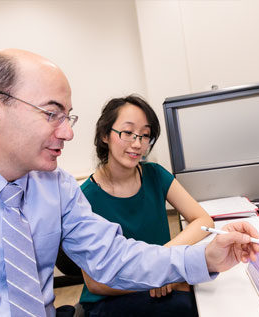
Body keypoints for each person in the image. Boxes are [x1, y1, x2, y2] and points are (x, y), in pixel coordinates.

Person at [0, 49, 259, 317]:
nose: (68, 132)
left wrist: (205, 257)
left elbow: (113, 258)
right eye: (52, 114)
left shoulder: (55, 186)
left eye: (68, 116)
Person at [79, 95, 214, 316]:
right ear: (105, 135)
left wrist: (158, 265)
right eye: (128, 133)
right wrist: (152, 275)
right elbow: (95, 283)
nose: (137, 143)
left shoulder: (155, 174)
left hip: (159, 285)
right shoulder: (85, 198)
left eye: (145, 135)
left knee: (204, 301)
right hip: (111, 297)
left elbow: (203, 220)